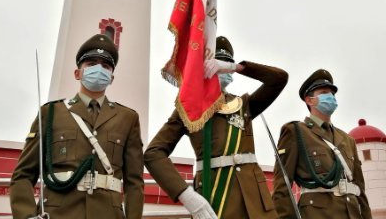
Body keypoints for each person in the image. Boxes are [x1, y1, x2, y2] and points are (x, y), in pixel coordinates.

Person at [144, 36, 288, 219]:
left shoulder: (244, 104)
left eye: (225, 63)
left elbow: (279, 79)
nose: (220, 68)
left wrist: (235, 67)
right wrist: (186, 195)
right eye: (215, 62)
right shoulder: (188, 108)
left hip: (256, 205)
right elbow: (153, 153)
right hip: (216, 201)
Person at [10, 34, 144, 219]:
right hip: (58, 214)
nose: (99, 69)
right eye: (91, 64)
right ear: (77, 73)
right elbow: (23, 175)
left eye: (105, 66)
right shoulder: (51, 113)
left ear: (111, 78)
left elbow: (134, 183)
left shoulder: (128, 118)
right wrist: (27, 216)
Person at [272, 69, 372, 219]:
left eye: (333, 94)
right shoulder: (296, 131)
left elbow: (359, 188)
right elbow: (282, 187)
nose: (331, 97)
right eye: (324, 92)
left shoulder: (347, 139)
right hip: (318, 214)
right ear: (309, 100)